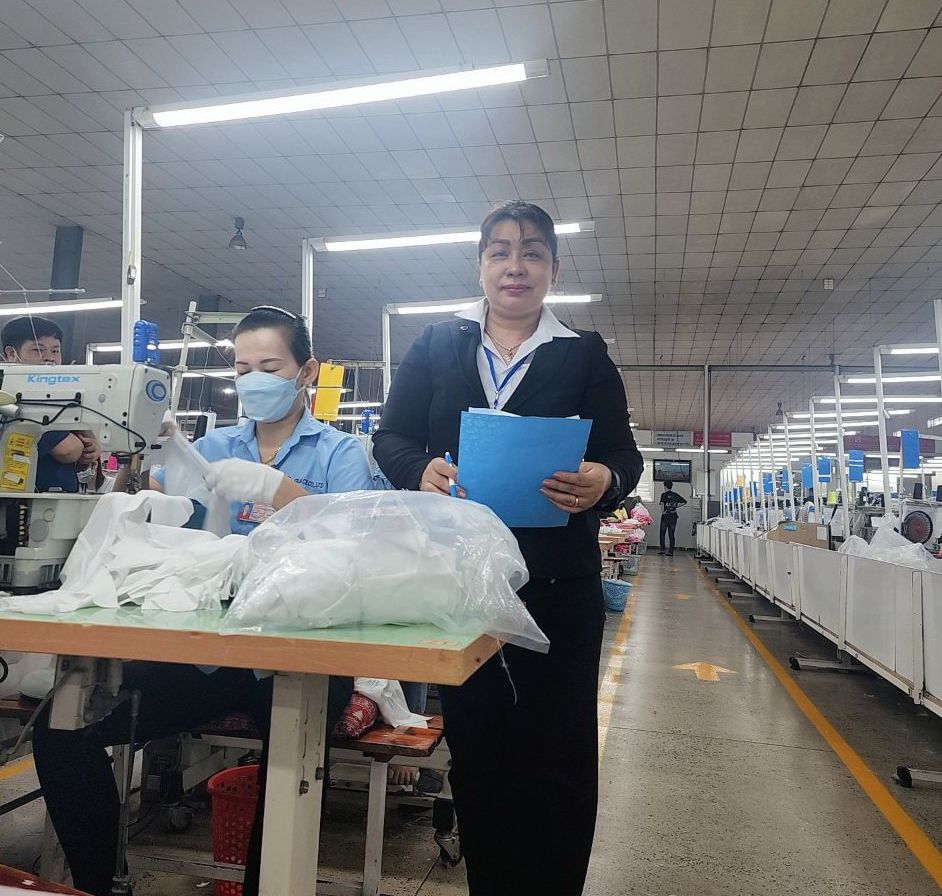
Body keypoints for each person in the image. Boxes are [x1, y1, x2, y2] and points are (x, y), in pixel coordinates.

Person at [32, 306, 375, 896]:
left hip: (304, 654)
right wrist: (144, 456)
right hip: (213, 653)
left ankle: (265, 886)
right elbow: (149, 508)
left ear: (306, 371)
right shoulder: (213, 447)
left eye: (270, 366)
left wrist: (276, 488)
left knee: (286, 758)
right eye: (242, 369)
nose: (253, 380)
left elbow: (355, 541)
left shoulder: (341, 454)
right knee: (61, 731)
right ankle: (98, 884)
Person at [372, 200, 643, 896]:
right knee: (482, 756)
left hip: (559, 587)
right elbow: (391, 436)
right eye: (499, 251)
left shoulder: (583, 353)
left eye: (531, 252)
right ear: (481, 265)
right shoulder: (438, 346)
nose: (514, 265)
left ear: (552, 267)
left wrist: (603, 480)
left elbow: (624, 455)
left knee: (559, 758)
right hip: (462, 586)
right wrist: (419, 470)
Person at [1, 316, 101, 492]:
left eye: (55, 351)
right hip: (24, 499)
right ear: (11, 354)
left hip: (54, 496)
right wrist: (84, 445)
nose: (49, 358)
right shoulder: (15, 399)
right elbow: (68, 450)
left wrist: (92, 447)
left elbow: (86, 438)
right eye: (38, 350)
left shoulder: (55, 398)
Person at [658, 480, 687, 556]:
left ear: (665, 486)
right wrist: (676, 506)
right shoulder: (675, 495)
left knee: (662, 533)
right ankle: (671, 551)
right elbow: (684, 502)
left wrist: (663, 512)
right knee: (671, 534)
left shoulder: (663, 495)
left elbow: (662, 504)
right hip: (673, 516)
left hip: (665, 516)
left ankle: (662, 549)